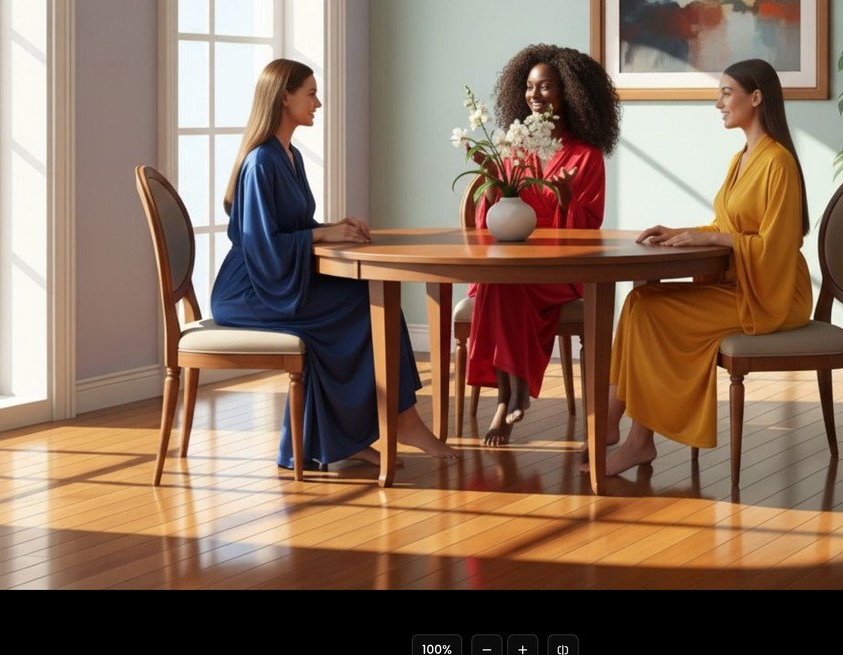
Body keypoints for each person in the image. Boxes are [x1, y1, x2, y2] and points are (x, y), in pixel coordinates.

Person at [210, 58, 458, 471]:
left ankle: (350, 439)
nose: (318, 103)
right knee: (365, 306)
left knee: (374, 301)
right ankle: (400, 423)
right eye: (310, 93)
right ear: (284, 97)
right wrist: (321, 235)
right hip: (248, 292)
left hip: (273, 280)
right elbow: (261, 246)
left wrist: (332, 227)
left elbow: (292, 227)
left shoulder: (290, 157)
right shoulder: (260, 163)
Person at [594, 58, 813, 476]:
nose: (718, 103)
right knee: (639, 301)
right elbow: (728, 226)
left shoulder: (778, 162)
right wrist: (680, 231)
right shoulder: (743, 157)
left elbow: (778, 245)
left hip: (776, 294)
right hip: (744, 284)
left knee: (653, 310)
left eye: (726, 92)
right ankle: (611, 421)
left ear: (756, 97)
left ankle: (636, 441)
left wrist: (711, 238)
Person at [465, 45, 619, 445]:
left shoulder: (586, 157)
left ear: (569, 93)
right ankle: (510, 394)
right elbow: (488, 221)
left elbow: (589, 231)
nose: (535, 95)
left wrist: (566, 198)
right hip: (513, 264)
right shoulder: (513, 149)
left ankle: (508, 397)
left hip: (563, 270)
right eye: (530, 87)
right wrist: (490, 183)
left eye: (546, 87)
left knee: (504, 286)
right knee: (500, 283)